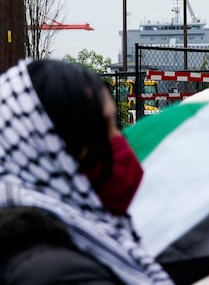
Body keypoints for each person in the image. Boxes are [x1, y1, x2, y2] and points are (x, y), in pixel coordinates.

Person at [0, 59, 174, 285]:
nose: (120, 141)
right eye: (103, 128)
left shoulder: (61, 247)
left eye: (116, 126)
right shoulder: (59, 274)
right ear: (50, 145)